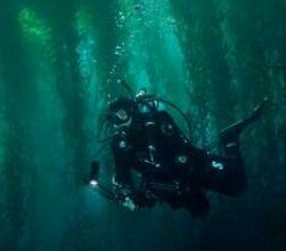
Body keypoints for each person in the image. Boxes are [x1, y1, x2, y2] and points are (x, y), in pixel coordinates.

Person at [89, 91, 266, 217]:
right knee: (201, 211)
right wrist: (129, 195)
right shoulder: (119, 145)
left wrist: (157, 183)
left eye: (122, 116)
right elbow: (122, 177)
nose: (119, 125)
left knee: (238, 187)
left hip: (193, 167)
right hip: (174, 188)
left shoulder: (157, 120)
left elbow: (181, 151)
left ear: (133, 111)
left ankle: (229, 139)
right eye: (114, 120)